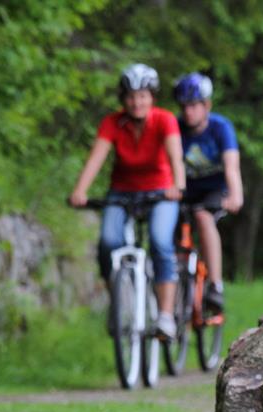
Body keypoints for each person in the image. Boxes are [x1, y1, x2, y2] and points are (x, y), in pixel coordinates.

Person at [69, 63, 187, 339]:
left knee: (160, 242)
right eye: (132, 96)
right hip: (121, 192)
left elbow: (175, 157)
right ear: (123, 99)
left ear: (152, 97)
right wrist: (80, 190)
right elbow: (96, 158)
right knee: (108, 243)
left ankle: (166, 316)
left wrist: (178, 186)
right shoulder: (112, 122)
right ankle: (119, 303)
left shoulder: (164, 120)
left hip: (161, 192)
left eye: (143, 95)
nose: (137, 102)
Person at [173, 72, 243, 313]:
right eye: (184, 106)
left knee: (203, 218)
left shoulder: (220, 128)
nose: (188, 111)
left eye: (193, 106)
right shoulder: (175, 128)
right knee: (172, 236)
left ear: (206, 105)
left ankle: (215, 285)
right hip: (182, 191)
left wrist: (235, 195)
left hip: (213, 191)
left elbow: (231, 166)